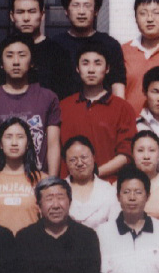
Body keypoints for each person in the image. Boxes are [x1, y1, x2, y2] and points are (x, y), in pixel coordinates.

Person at [0, 33, 62, 175]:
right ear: (1, 63)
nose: (16, 62)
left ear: (32, 62)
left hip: (39, 181)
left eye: (22, 55)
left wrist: (52, 182)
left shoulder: (48, 98)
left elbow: (53, 146)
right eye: (9, 56)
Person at [57, 42, 136, 181]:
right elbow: (56, 150)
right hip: (70, 187)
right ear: (77, 68)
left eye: (98, 63)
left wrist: (95, 173)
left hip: (108, 185)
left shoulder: (122, 108)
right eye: (85, 63)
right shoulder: (63, 107)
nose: (91, 70)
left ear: (107, 68)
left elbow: (126, 153)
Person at [45, 0, 127, 101]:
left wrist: (119, 109)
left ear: (96, 11)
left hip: (102, 109)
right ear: (66, 11)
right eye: (76, 5)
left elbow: (117, 83)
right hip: (64, 110)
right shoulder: (54, 45)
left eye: (87, 6)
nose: (81, 12)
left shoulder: (110, 44)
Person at [0, 117, 47, 235]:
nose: (14, 143)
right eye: (8, 137)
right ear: (0, 143)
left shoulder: (43, 180)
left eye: (20, 137)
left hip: (32, 243)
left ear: (28, 143)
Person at [63, 135, 120, 230]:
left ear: (93, 157)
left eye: (84, 157)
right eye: (73, 160)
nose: (79, 163)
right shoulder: (58, 190)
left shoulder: (108, 190)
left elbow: (114, 227)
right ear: (66, 163)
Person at [7, 0, 59, 92]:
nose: (26, 18)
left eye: (32, 12)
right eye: (20, 12)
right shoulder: (5, 50)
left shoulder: (57, 52)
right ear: (12, 16)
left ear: (42, 15)